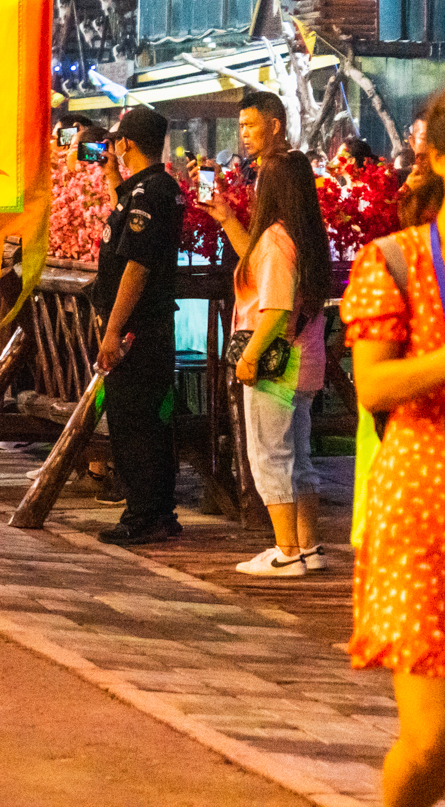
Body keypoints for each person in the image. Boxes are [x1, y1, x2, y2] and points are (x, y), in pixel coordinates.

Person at [343, 83, 445, 807]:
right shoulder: (393, 261)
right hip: (425, 510)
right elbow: (375, 387)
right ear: (444, 158)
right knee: (432, 743)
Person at [203, 149, 331, 576]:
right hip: (306, 361)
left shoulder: (278, 239)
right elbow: (258, 267)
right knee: (299, 456)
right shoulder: (305, 235)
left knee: (270, 457)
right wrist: (227, 220)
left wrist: (251, 356)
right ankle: (308, 547)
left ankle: (286, 551)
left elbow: (275, 308)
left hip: (277, 365)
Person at [90, 106, 185, 546]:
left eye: (117, 142)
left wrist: (112, 330)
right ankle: (157, 512)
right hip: (145, 326)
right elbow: (125, 234)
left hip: (137, 330)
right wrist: (113, 181)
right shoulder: (149, 189)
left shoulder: (150, 193)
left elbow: (137, 265)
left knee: (135, 421)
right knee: (146, 418)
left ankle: (143, 513)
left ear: (127, 142)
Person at [237, 88, 292, 172]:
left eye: (251, 125)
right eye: (242, 126)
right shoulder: (247, 168)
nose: (244, 134)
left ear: (274, 126)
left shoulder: (290, 166)